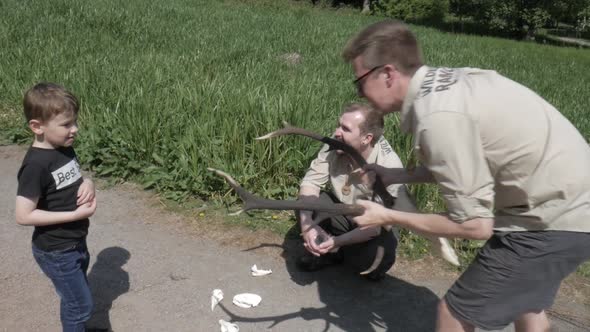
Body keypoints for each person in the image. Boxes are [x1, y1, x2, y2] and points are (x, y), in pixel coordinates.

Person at [342, 20, 590, 331]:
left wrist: (387, 216)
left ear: (388, 74)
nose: (361, 92)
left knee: (455, 314)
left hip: (548, 221)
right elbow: (465, 164)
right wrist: (394, 175)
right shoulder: (450, 83)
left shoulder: (438, 117)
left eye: (360, 81)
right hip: (573, 206)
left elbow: (473, 226)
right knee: (527, 304)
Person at [297, 102, 458, 281]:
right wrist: (307, 225)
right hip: (342, 210)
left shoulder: (389, 166)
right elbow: (311, 182)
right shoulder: (336, 142)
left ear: (367, 138)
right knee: (306, 202)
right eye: (338, 125)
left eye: (345, 128)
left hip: (373, 223)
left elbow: (373, 228)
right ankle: (328, 253)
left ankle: (338, 249)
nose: (336, 132)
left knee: (374, 261)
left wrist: (336, 242)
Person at [15, 82, 98, 332]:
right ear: (37, 127)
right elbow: (23, 215)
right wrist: (74, 214)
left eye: (74, 122)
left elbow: (73, 178)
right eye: (66, 125)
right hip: (56, 250)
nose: (75, 129)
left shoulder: (64, 149)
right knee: (80, 306)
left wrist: (89, 183)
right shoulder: (35, 167)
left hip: (76, 241)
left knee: (74, 300)